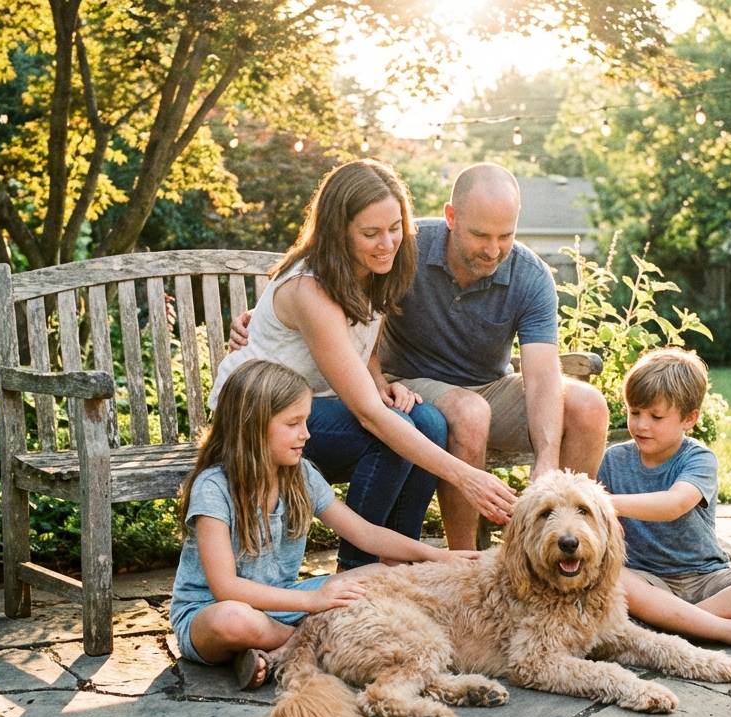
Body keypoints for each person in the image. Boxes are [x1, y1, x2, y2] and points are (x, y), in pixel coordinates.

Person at [232, 162, 609, 551]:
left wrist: (546, 463)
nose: (493, 249)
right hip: (375, 387)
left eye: (506, 235)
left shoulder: (400, 255)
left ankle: (564, 550)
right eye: (480, 234)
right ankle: (458, 563)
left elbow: (544, 376)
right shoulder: (396, 252)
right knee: (443, 417)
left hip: (469, 385)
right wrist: (260, 320)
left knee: (588, 406)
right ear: (451, 217)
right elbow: (325, 310)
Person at [209, 159, 516, 570]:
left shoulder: (376, 269)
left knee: (431, 423)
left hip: (312, 407)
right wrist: (466, 476)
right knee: (388, 432)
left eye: (394, 228)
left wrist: (378, 380)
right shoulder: (310, 288)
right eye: (370, 233)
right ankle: (358, 572)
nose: (387, 242)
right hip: (255, 413)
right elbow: (368, 415)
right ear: (339, 232)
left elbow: (364, 344)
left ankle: (396, 568)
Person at [171, 360, 477, 688]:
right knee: (234, 619)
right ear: (253, 427)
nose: (307, 433)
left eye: (305, 421)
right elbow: (225, 589)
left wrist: (440, 556)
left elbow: (366, 534)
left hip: (283, 600)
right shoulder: (213, 487)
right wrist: (313, 603)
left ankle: (274, 652)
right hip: (210, 613)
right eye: (293, 423)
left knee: (384, 574)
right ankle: (313, 645)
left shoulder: (299, 474)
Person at [601, 348, 731, 650]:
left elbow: (674, 504)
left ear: (689, 418)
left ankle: (679, 626)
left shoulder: (698, 458)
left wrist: (602, 502)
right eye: (635, 412)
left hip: (707, 580)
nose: (641, 425)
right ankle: (726, 632)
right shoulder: (613, 460)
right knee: (612, 577)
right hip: (648, 582)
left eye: (655, 416)